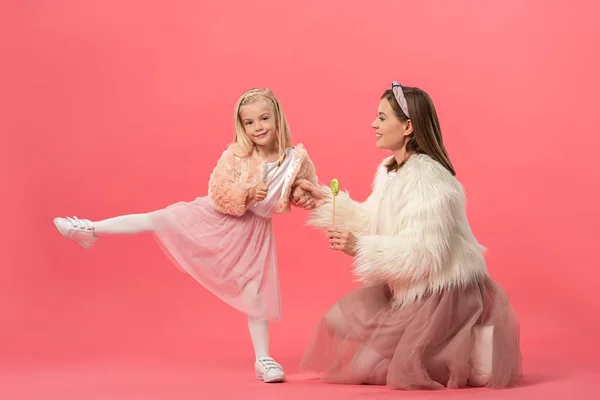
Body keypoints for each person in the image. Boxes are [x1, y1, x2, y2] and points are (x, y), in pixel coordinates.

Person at [53, 88, 318, 383]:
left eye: (264, 118)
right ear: (241, 127)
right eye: (250, 123)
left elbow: (304, 189)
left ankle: (263, 360)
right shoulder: (237, 155)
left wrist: (301, 195)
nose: (259, 127)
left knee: (254, 293)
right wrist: (246, 193)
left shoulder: (296, 159)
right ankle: (90, 228)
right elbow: (218, 190)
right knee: (161, 218)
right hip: (220, 217)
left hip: (254, 232)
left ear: (278, 117)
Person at [295, 82, 522, 390]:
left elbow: (426, 254)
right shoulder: (391, 171)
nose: (374, 124)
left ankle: (468, 345)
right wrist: (324, 199)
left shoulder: (431, 180)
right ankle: (450, 349)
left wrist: (360, 246)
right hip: (411, 286)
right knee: (348, 339)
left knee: (391, 370)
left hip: (443, 292)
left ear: (407, 127)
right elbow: (373, 219)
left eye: (382, 117)